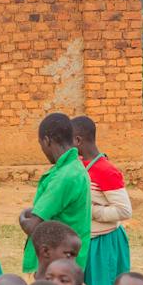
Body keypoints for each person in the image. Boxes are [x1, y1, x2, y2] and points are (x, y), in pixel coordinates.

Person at [19, 112, 92, 273]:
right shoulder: (74, 169)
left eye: (41, 144)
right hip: (65, 262)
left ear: (47, 141)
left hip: (54, 267)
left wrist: (23, 216)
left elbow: (33, 226)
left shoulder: (64, 177)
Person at [73, 116, 132, 285]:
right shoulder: (78, 166)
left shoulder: (106, 170)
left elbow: (124, 210)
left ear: (77, 140)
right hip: (85, 241)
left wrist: (92, 211)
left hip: (104, 244)